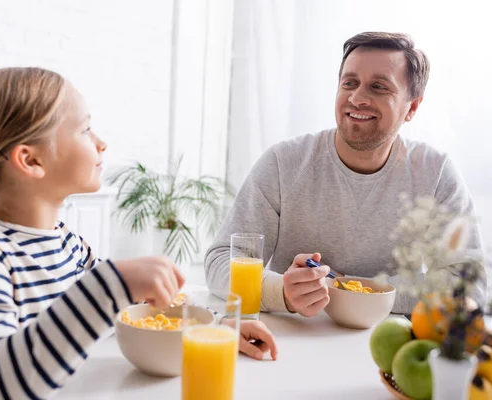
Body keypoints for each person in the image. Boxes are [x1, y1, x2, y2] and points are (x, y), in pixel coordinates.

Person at [0, 67, 278, 400]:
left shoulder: (68, 245)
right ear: (31, 160)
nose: (101, 142)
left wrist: (214, 328)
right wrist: (108, 284)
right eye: (85, 129)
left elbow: (141, 313)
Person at [205, 31, 486, 317]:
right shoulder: (283, 163)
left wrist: (352, 289)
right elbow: (221, 260)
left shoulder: (435, 173)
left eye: (378, 87)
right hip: (293, 339)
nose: (357, 98)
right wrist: (281, 292)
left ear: (411, 107)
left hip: (392, 346)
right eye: (349, 83)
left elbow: (469, 285)